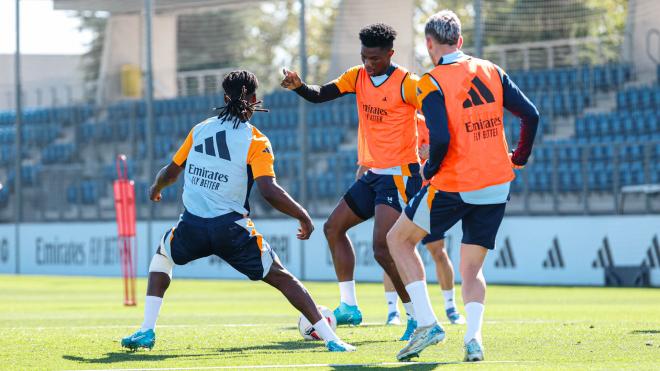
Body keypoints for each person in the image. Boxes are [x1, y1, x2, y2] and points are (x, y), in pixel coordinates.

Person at [120, 70, 355, 353]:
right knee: (282, 278)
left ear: (224, 98)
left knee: (162, 256)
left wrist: (156, 188)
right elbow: (269, 190)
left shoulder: (200, 130)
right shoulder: (256, 140)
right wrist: (302, 215)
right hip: (232, 230)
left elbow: (171, 172)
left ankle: (146, 330)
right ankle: (332, 339)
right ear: (255, 100)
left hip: (192, 227)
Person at [387, 10, 539, 362]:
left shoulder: (432, 80)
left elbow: (438, 137)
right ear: (460, 40)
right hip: (497, 184)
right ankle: (473, 339)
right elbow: (531, 115)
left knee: (398, 240)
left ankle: (427, 323)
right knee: (472, 269)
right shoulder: (491, 70)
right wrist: (519, 156)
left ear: (429, 44)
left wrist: (429, 169)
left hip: (455, 182)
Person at [281, 23, 422, 341]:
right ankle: (349, 306)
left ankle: (417, 317)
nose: (369, 64)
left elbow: (434, 111)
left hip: (400, 176)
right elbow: (320, 95)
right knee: (333, 228)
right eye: (364, 57)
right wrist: (300, 86)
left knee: (383, 248)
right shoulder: (357, 76)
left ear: (390, 54)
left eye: (375, 58)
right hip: (374, 174)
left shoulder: (407, 84)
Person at [383, 115, 465, 326]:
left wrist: (432, 153)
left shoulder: (430, 122)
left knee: (438, 251)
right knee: (394, 251)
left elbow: (450, 147)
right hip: (403, 190)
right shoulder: (398, 121)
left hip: (429, 195)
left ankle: (451, 307)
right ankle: (393, 311)